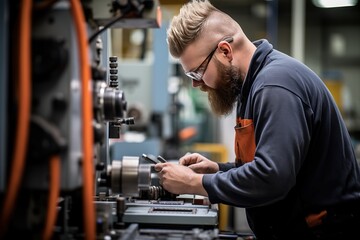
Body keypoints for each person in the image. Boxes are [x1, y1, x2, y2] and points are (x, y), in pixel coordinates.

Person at [154, 0, 360, 239]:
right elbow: (272, 166)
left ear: (225, 51)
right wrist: (217, 170)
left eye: (197, 72)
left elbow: (272, 178)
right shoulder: (252, 86)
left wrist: (195, 183)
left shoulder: (275, 86)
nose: (196, 83)